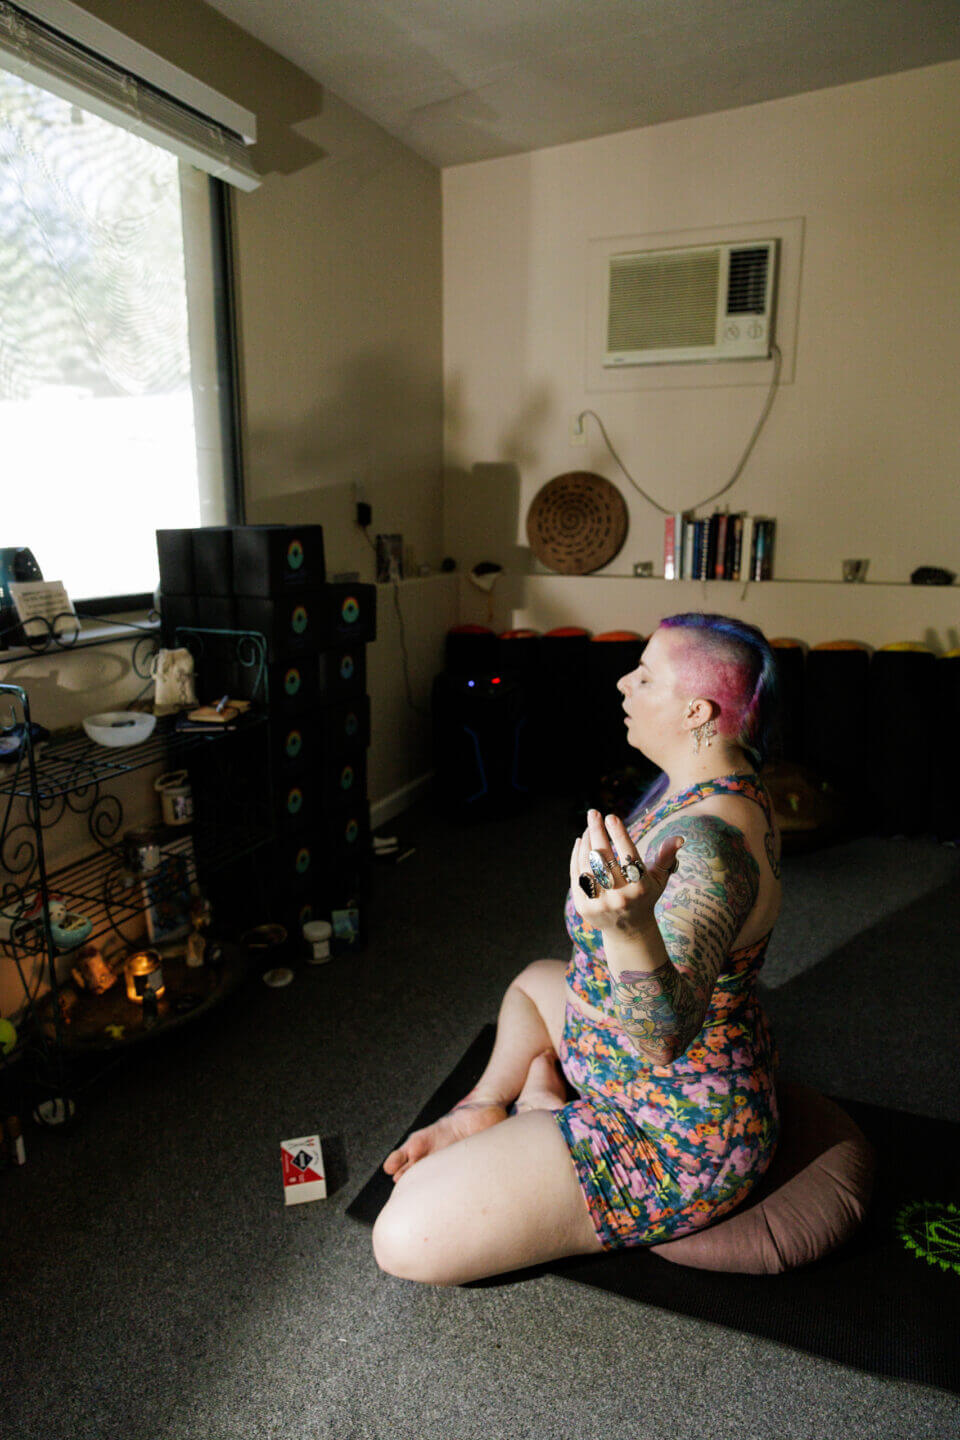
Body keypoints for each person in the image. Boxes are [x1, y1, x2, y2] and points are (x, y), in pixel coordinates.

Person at [373, 613, 782, 1285]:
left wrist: (626, 928)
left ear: (695, 710)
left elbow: (662, 1040)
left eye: (645, 676)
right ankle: (486, 1105)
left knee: (403, 1237)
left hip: (673, 1131)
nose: (624, 683)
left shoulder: (711, 846)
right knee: (537, 977)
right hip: (617, 1053)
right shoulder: (711, 776)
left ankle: (540, 1108)